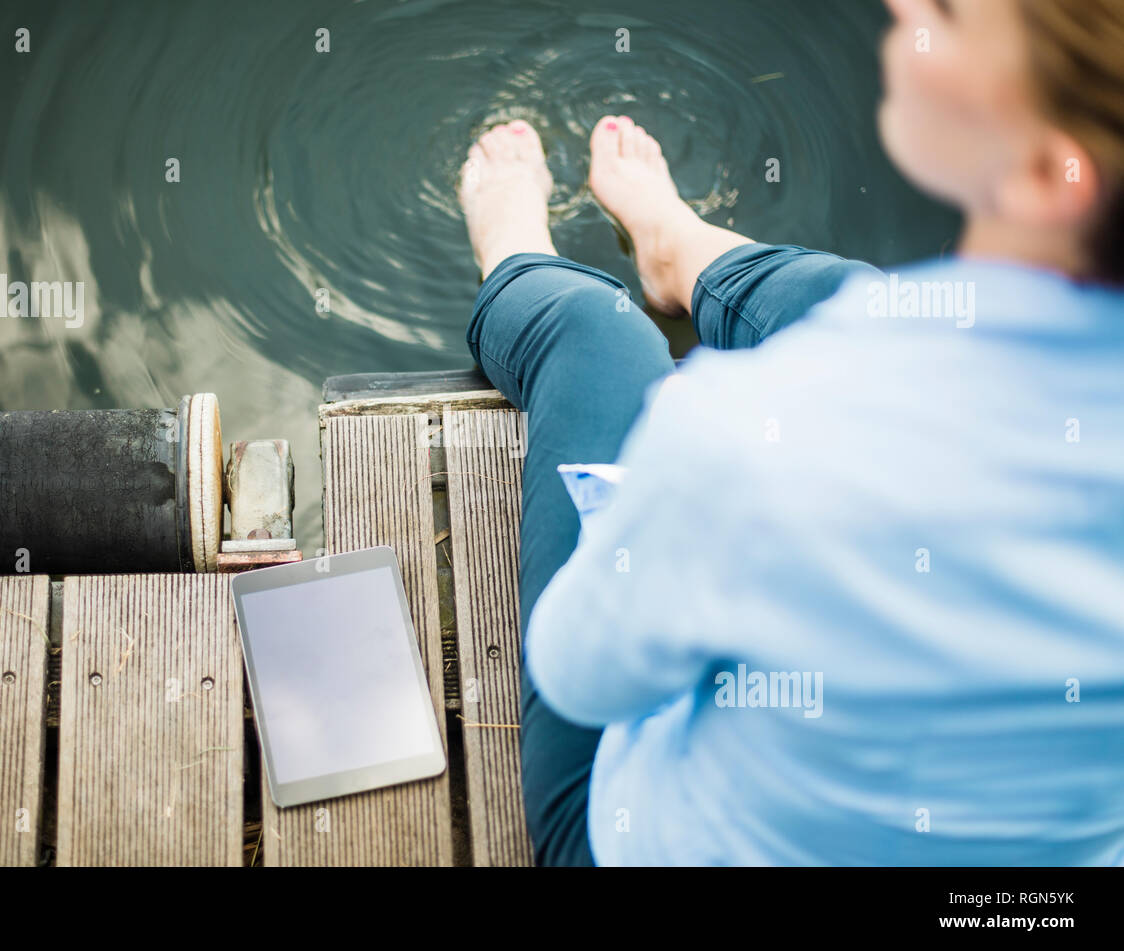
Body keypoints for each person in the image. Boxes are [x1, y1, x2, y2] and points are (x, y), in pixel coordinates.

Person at [457, 0, 1124, 866]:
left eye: (949, 17)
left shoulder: (747, 438)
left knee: (598, 335)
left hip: (646, 836)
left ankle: (516, 250)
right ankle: (676, 246)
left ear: (1045, 176)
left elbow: (582, 674)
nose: (904, 9)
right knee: (847, 297)